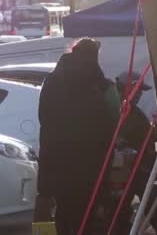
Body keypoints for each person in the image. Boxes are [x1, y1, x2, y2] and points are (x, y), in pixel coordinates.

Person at [38, 38, 117, 235]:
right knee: (89, 212)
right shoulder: (101, 85)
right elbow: (114, 120)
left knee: (64, 210)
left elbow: (44, 117)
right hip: (91, 162)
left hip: (57, 159)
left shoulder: (52, 81)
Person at [114, 71, 157, 235]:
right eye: (138, 90)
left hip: (138, 167)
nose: (139, 95)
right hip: (136, 168)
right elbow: (124, 136)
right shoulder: (121, 108)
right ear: (128, 88)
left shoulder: (128, 108)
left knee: (122, 212)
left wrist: (154, 131)